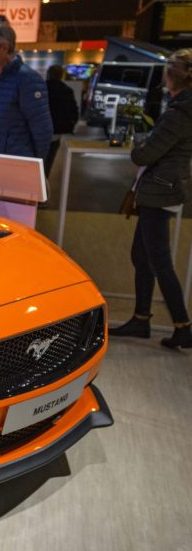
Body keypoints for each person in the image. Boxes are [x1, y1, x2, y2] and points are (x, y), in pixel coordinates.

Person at [110, 48, 192, 349]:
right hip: (161, 188)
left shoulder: (180, 112)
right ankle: (141, 320)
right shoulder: (180, 107)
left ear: (173, 75)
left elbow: (144, 153)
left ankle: (183, 326)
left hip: (160, 190)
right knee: (142, 256)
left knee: (158, 260)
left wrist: (139, 144)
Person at [0, 21, 53, 211]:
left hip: (15, 170)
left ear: (4, 47)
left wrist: (29, 168)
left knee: (14, 228)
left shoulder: (27, 79)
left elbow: (42, 129)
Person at [44, 64, 79, 178]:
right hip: (57, 132)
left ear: (48, 74)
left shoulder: (42, 88)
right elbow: (73, 110)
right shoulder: (67, 90)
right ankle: (44, 183)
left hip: (40, 130)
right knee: (49, 161)